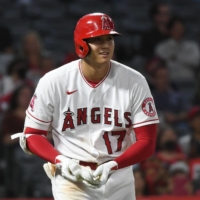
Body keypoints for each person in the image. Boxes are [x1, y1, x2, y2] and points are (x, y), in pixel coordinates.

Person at [12, 13, 159, 200]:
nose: (106, 45)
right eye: (97, 39)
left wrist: (113, 165)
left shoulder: (134, 81)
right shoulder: (54, 81)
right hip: (73, 178)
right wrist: (61, 161)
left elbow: (147, 141)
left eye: (109, 38)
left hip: (119, 176)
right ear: (81, 44)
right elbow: (33, 134)